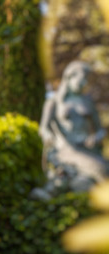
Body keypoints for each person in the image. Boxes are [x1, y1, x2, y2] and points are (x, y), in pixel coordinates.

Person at [33, 60, 109, 199]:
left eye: (86, 80)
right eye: (82, 79)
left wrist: (95, 138)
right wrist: (48, 135)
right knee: (100, 170)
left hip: (87, 149)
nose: (85, 83)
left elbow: (100, 130)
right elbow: (43, 128)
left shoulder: (87, 102)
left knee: (101, 171)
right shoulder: (54, 102)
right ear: (69, 77)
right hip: (66, 150)